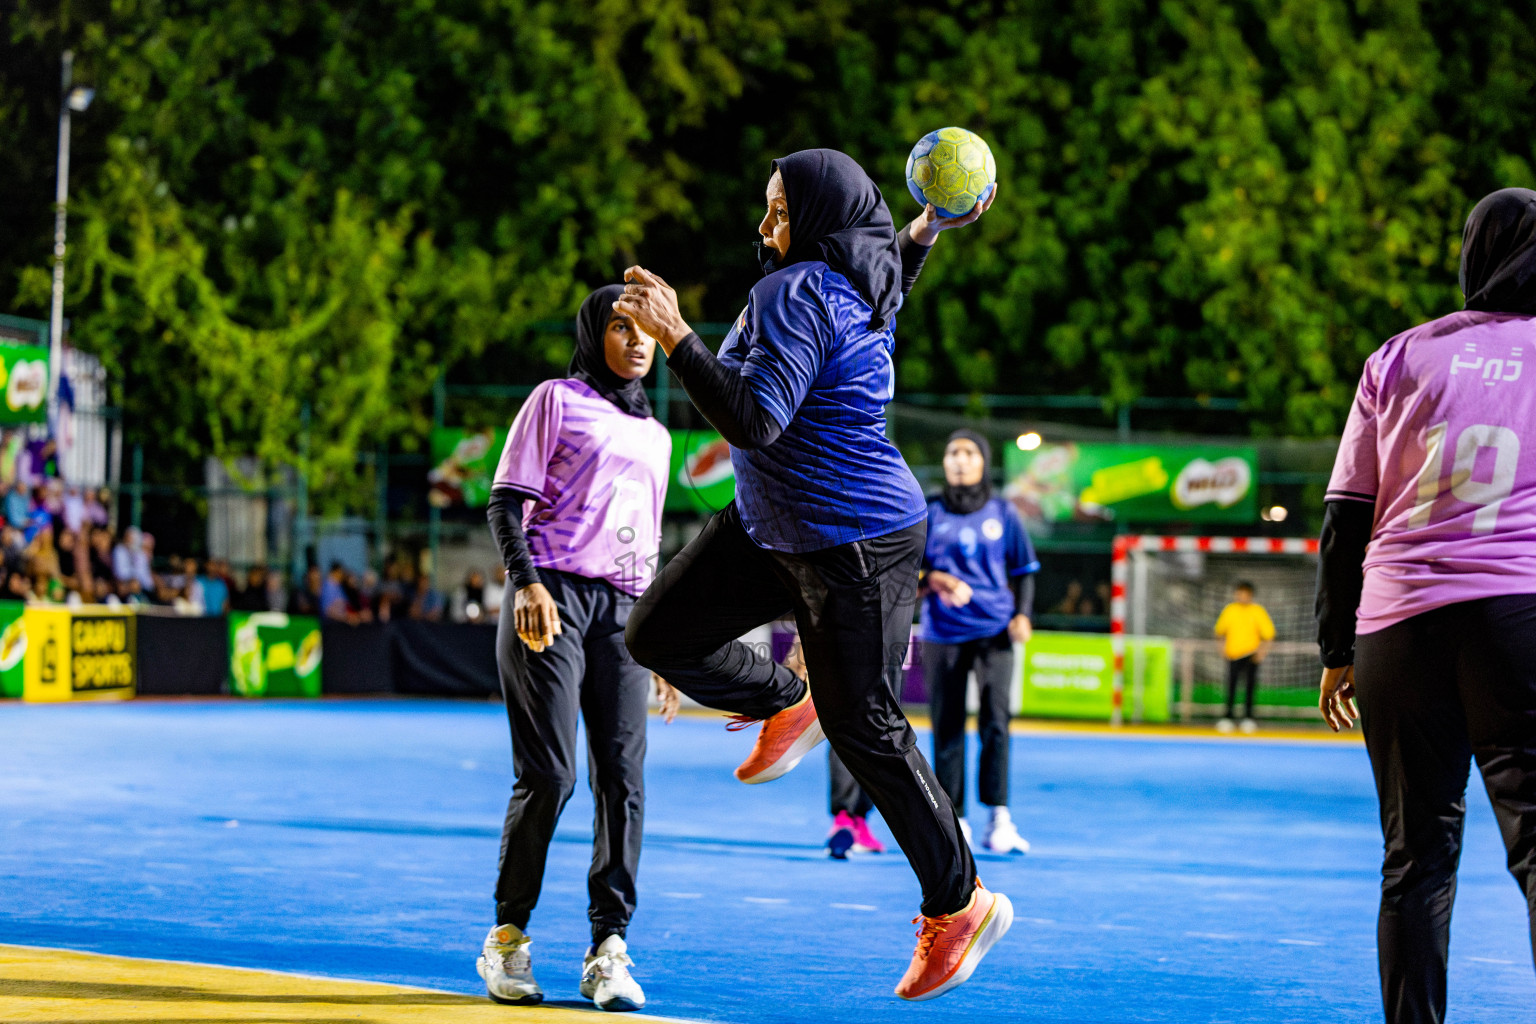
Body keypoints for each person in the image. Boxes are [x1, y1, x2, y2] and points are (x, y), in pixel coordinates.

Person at [618, 148, 1011, 1001]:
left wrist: (677, 337)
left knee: (866, 726)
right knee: (657, 632)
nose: (765, 230)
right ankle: (786, 701)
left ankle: (961, 901)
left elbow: (756, 419)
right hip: (773, 525)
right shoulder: (863, 277)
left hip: (855, 546)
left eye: (780, 213)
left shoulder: (793, 292)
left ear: (822, 226)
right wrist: (929, 226)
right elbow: (893, 261)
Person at [1315, 187, 1536, 1024]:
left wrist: (1337, 646)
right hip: (1518, 614)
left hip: (1399, 625)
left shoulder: (1402, 354)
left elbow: (1346, 515)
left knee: (1415, 858)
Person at [477, 285, 680, 1012]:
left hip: (624, 612)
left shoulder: (658, 436)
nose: (635, 341)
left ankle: (609, 949)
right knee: (553, 774)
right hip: (551, 600)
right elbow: (506, 499)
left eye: (646, 330)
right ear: (595, 332)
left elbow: (648, 545)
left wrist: (654, 641)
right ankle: (506, 940)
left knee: (623, 779)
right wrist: (526, 582)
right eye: (620, 327)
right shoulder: (555, 399)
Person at [919, 429, 1038, 854]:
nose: (960, 460)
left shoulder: (1004, 513)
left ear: (984, 462)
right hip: (943, 633)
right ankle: (957, 821)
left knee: (996, 721)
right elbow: (907, 572)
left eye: (970, 452)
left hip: (995, 631)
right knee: (947, 727)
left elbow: (1024, 570)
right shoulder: (927, 511)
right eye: (953, 452)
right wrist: (931, 578)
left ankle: (999, 819)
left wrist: (1023, 614)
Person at [1213, 581, 1274, 734]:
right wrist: (1222, 649)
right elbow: (1219, 632)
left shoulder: (1257, 611)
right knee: (1231, 686)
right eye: (1240, 593)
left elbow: (1268, 634)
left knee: (1249, 687)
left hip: (1250, 655)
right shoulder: (1230, 610)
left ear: (1250, 595)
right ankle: (1228, 717)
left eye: (1245, 593)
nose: (1242, 596)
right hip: (1233, 655)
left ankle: (1248, 718)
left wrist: (1262, 653)